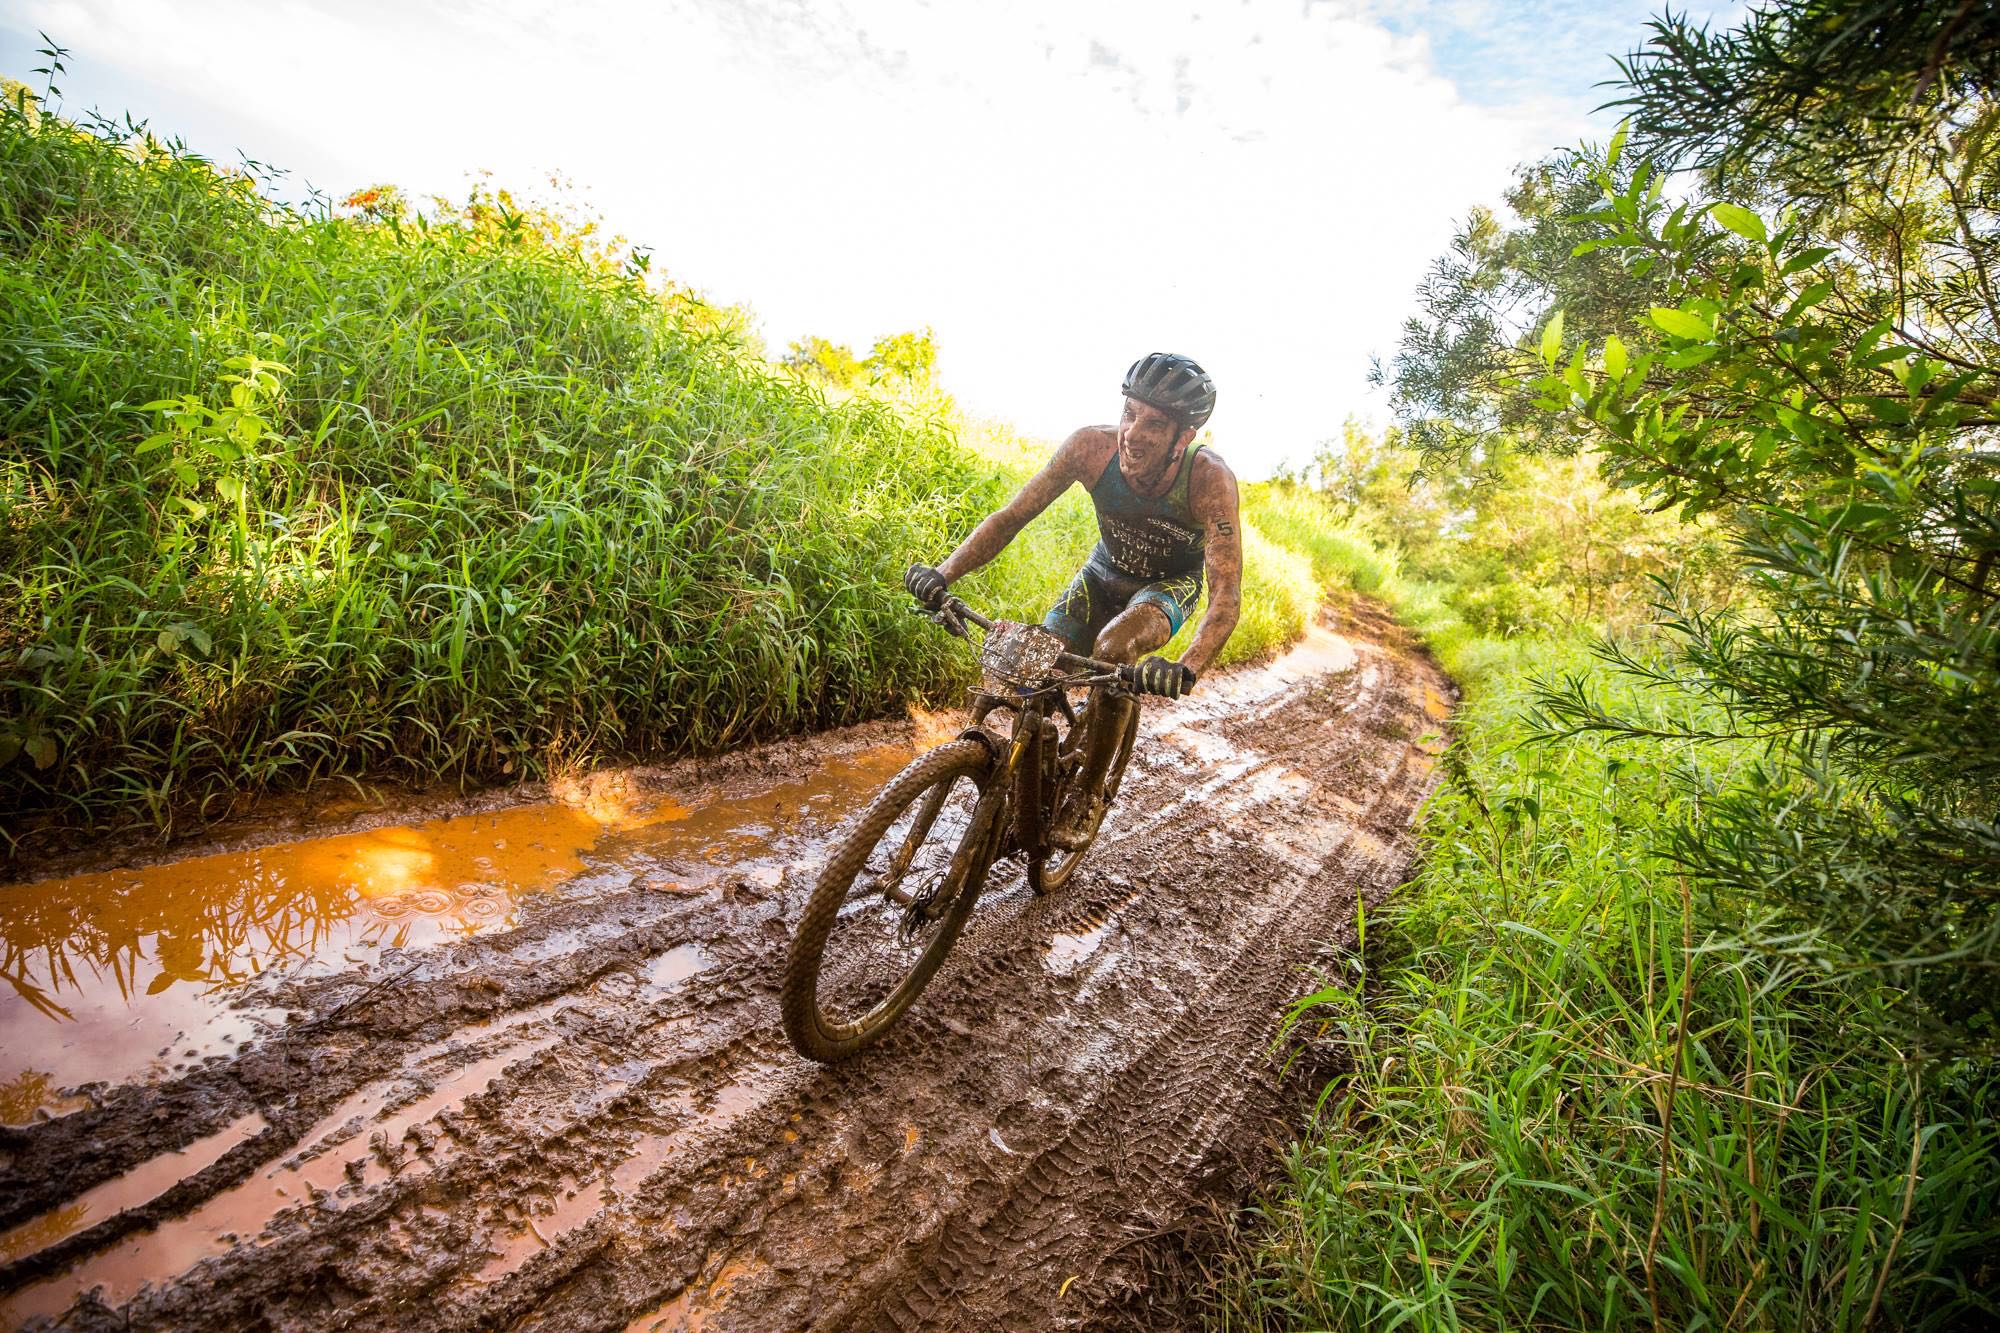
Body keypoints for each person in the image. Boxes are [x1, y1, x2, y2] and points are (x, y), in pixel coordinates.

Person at [904, 352, 1242, 846]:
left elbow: (1227, 592)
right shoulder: (1090, 448)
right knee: (1032, 663)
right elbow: (1012, 516)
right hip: (1103, 573)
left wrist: (1186, 667)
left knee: (1114, 649)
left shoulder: (1209, 479)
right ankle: (1027, 774)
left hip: (1167, 586)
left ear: (1183, 437)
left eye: (1154, 424)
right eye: (1130, 413)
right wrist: (943, 573)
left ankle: (1086, 794)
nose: (1133, 433)